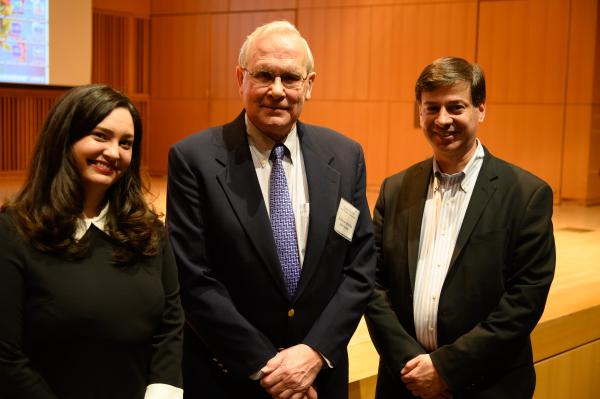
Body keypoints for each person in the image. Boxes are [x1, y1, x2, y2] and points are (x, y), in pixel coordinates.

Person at [167, 20, 376, 399]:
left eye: (290, 78)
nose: (277, 91)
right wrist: (270, 368)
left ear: (309, 84)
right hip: (230, 377)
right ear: (240, 79)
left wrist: (313, 354)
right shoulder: (193, 159)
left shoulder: (346, 157)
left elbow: (360, 268)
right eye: (264, 74)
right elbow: (193, 278)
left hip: (319, 378)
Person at [365, 57, 556, 399]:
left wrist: (446, 370)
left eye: (456, 107)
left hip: (487, 385)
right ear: (419, 112)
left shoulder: (527, 195)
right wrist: (413, 365)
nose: (442, 120)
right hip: (404, 383)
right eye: (431, 108)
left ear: (480, 109)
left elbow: (523, 302)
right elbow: (372, 285)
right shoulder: (394, 190)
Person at [0, 84, 184, 399]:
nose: (113, 152)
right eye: (100, 136)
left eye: (125, 143)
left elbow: (171, 325)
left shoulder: (149, 231)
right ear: (64, 138)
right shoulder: (13, 233)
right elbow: (6, 356)